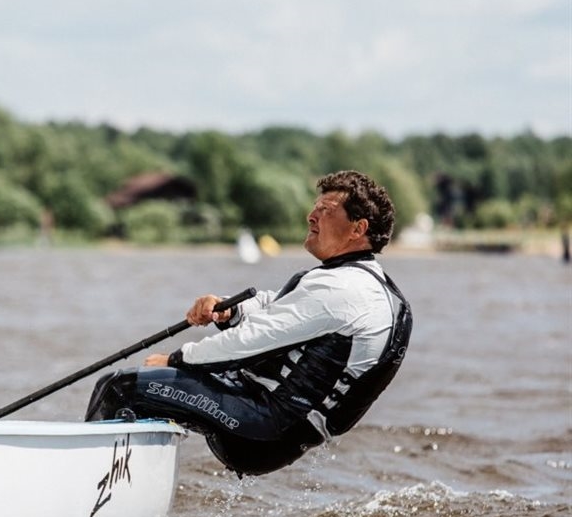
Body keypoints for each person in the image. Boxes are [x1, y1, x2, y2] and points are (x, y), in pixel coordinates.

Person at [85, 170, 412, 477]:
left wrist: (176, 359)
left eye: (326, 210)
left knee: (119, 388)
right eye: (315, 207)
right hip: (277, 429)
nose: (311, 216)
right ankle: (129, 485)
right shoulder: (368, 285)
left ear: (358, 229)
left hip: (262, 428)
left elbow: (248, 342)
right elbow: (277, 308)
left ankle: (91, 487)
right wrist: (230, 310)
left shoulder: (342, 289)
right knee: (154, 393)